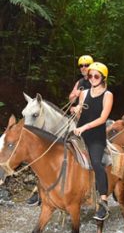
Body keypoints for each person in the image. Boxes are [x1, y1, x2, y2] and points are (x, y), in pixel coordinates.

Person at [26, 54, 94, 206]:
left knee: (87, 145)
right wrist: (74, 97)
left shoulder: (96, 79)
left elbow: (96, 100)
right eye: (81, 66)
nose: (83, 68)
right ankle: (40, 189)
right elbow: (71, 97)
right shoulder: (80, 82)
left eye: (86, 65)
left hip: (91, 119)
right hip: (76, 118)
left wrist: (80, 107)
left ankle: (90, 180)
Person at [73, 62, 113, 221]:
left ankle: (103, 201)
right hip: (79, 132)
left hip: (96, 136)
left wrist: (85, 127)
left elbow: (103, 118)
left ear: (103, 77)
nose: (92, 78)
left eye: (96, 76)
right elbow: (80, 113)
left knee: (96, 163)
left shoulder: (108, 95)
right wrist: (77, 110)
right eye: (90, 76)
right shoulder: (84, 93)